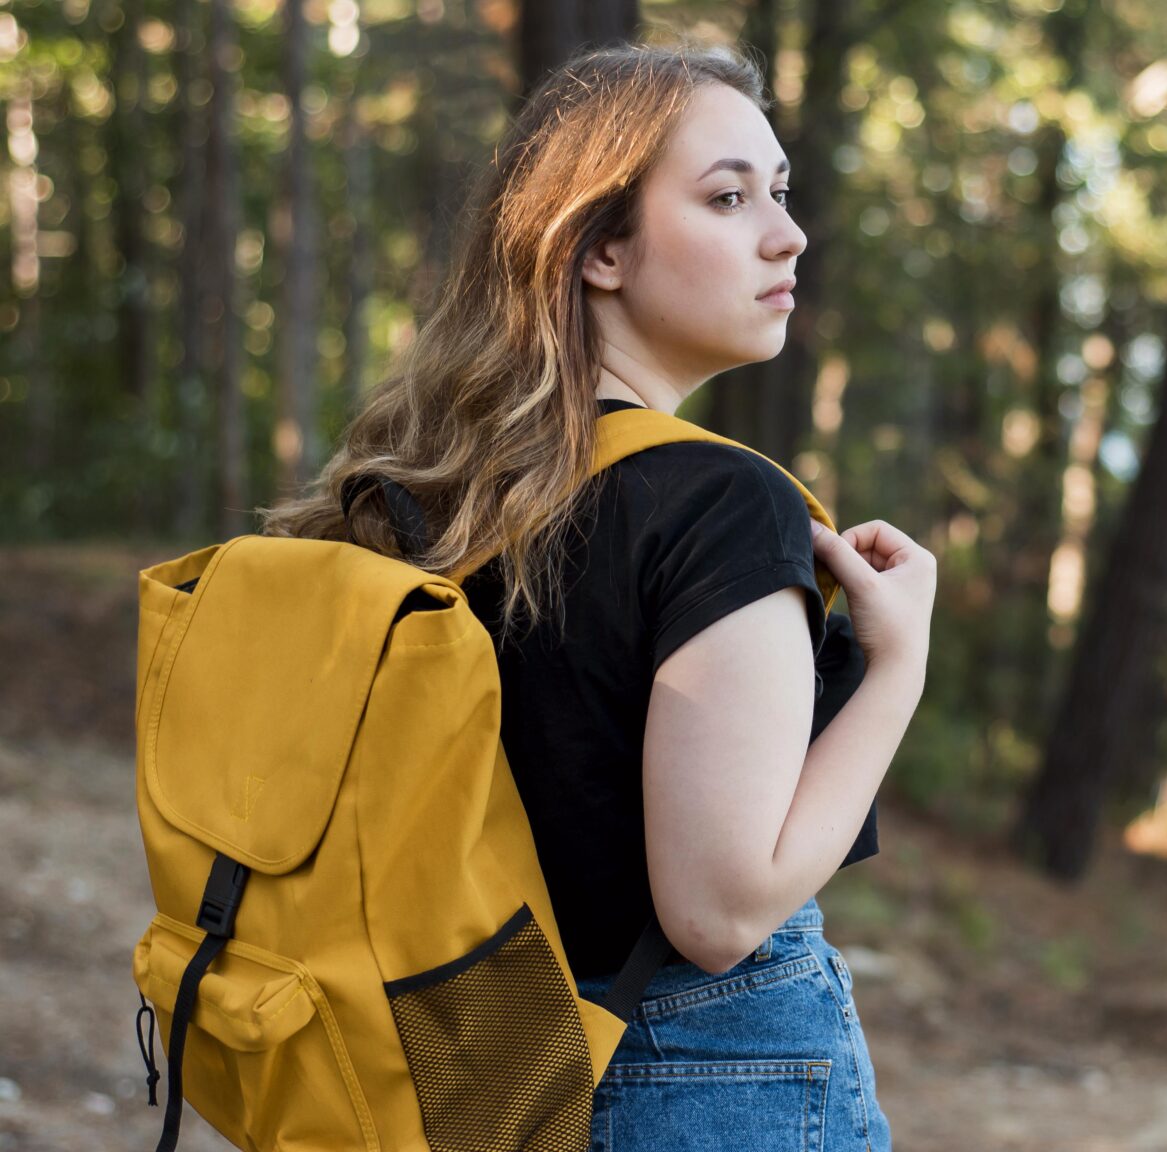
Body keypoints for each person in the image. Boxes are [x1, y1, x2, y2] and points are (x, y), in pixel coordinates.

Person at [258, 39, 931, 1152]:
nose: (786, 232)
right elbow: (719, 911)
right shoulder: (718, 501)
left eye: (779, 190)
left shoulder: (438, 500)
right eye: (727, 197)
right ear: (600, 249)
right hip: (703, 1076)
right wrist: (896, 665)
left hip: (479, 1066)